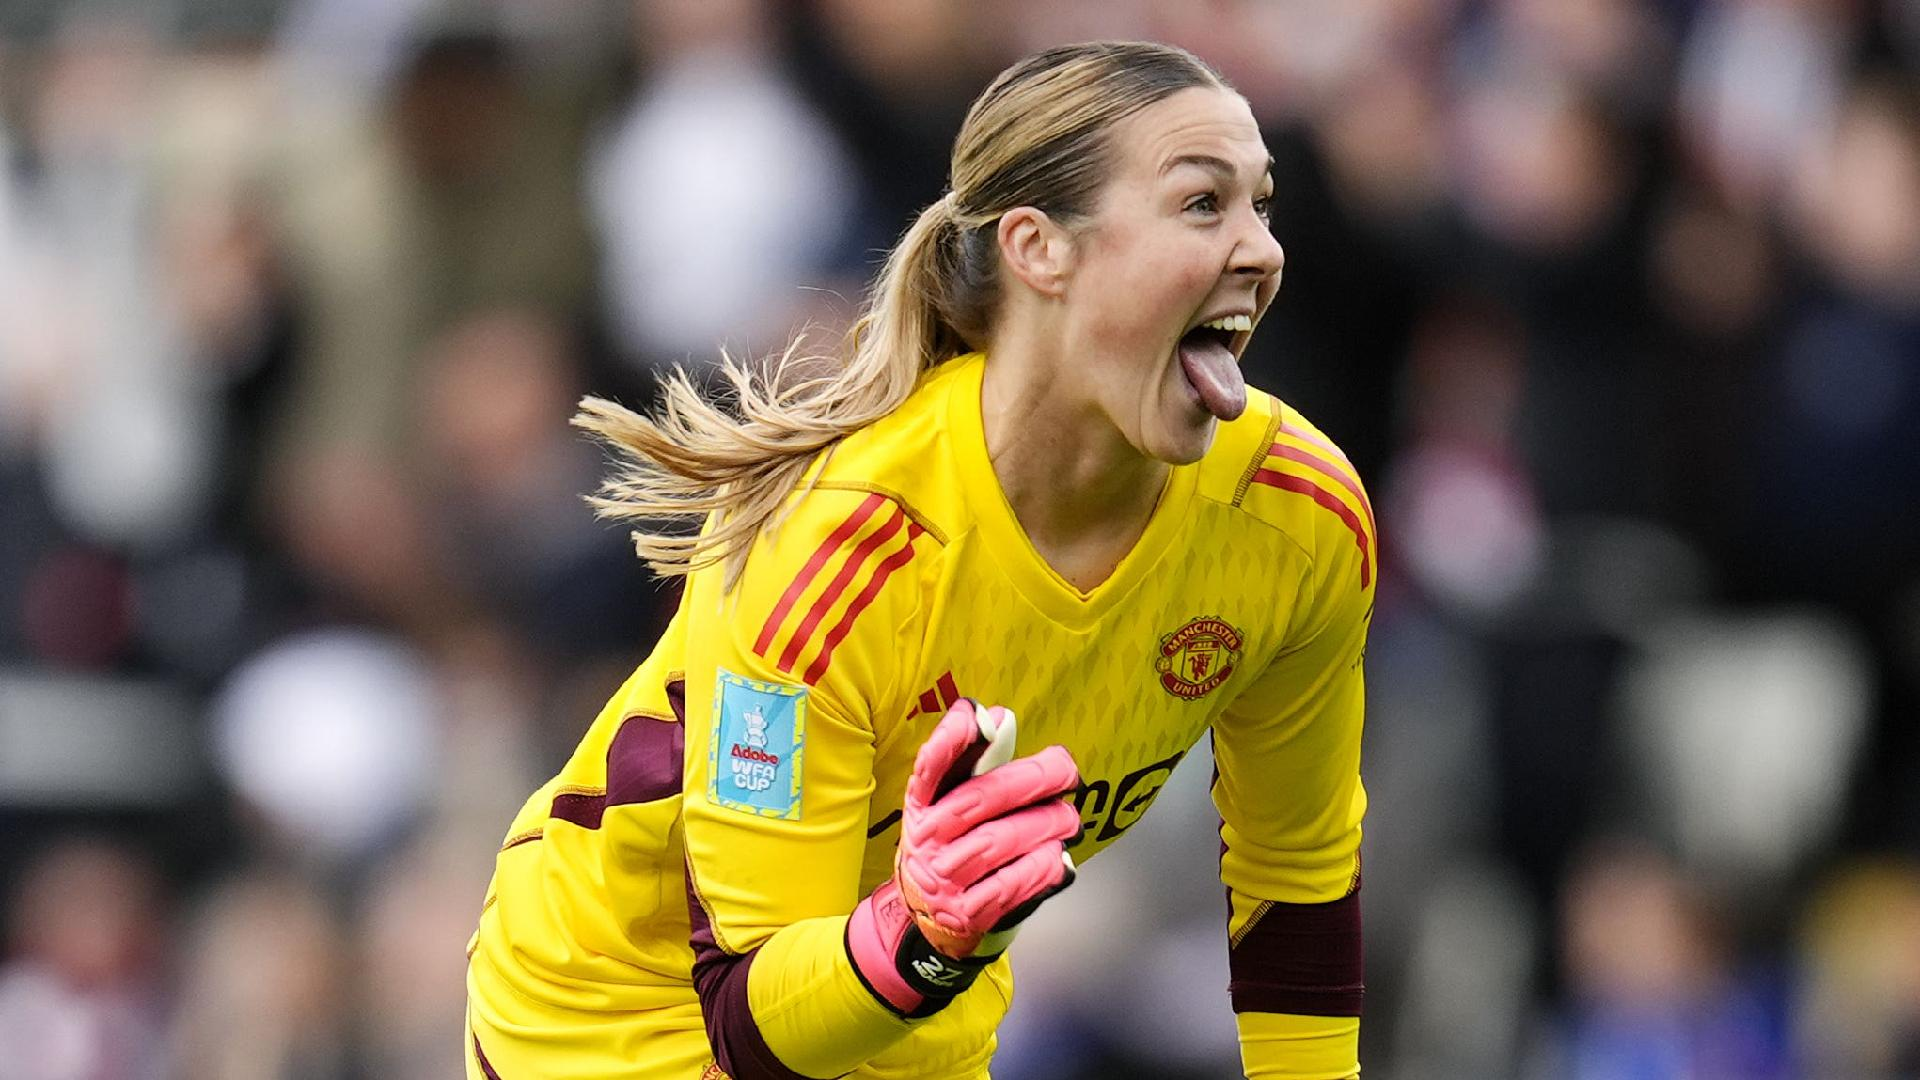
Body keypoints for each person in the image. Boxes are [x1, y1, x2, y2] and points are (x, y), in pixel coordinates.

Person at [465, 40, 1373, 1080]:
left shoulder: (1297, 520)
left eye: (1263, 205)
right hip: (614, 1019)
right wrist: (918, 937)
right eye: (1204, 205)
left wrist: (924, 943)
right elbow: (752, 1026)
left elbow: (1294, 873)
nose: (1262, 250)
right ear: (1039, 248)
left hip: (904, 1011)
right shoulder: (839, 550)